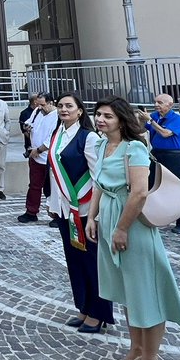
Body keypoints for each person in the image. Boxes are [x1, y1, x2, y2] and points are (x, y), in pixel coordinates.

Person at [85, 97, 180, 360]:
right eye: (99, 114)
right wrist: (92, 217)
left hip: (132, 224)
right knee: (128, 291)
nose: (101, 119)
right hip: (109, 217)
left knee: (146, 291)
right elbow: (99, 184)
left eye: (107, 115)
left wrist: (121, 228)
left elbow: (139, 193)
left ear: (121, 119)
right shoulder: (101, 145)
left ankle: (151, 359)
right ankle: (136, 350)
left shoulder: (135, 148)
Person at [47, 95, 114, 333]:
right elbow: (54, 176)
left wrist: (94, 214)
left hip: (85, 211)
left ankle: (99, 313)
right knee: (74, 262)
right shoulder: (57, 135)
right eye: (61, 106)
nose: (64, 109)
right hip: (65, 210)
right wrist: (53, 204)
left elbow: (98, 177)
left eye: (69, 106)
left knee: (91, 263)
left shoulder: (89, 137)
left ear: (80, 111)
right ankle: (84, 307)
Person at [137, 94, 180, 233]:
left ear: (170, 105)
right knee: (151, 184)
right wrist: (142, 121)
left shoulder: (176, 119)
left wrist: (151, 121)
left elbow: (165, 133)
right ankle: (154, 217)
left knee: (176, 187)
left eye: (160, 102)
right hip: (157, 154)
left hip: (174, 155)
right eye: (155, 102)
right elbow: (142, 129)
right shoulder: (154, 116)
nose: (156, 105)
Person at [17, 94, 57, 222]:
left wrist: (39, 150)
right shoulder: (37, 111)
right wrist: (27, 128)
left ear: (51, 103)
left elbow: (52, 137)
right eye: (37, 104)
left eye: (43, 105)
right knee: (34, 186)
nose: (39, 107)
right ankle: (31, 211)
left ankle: (56, 215)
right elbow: (29, 123)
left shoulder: (56, 116)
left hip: (49, 157)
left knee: (53, 188)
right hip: (35, 157)